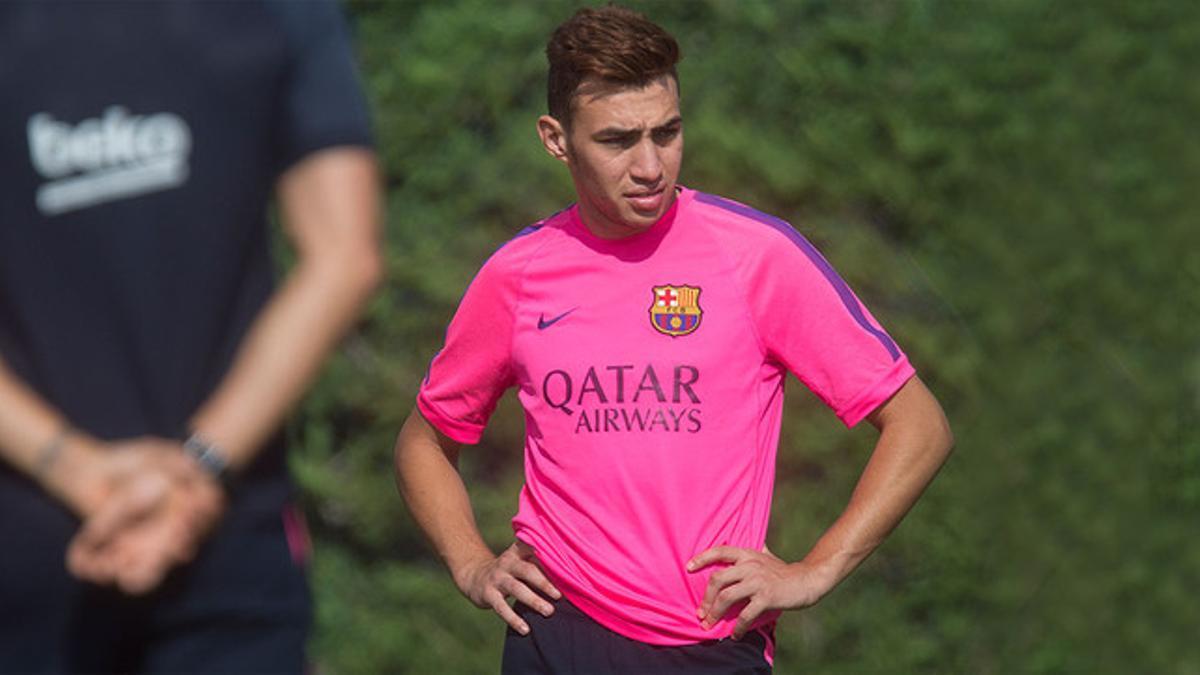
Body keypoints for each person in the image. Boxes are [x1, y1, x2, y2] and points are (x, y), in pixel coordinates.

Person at [394, 5, 953, 674]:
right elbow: (424, 440)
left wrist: (813, 570)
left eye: (668, 131)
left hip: (707, 647)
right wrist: (471, 563)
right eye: (617, 140)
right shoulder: (519, 272)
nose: (650, 164)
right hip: (554, 632)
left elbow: (918, 424)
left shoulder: (757, 255)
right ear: (556, 139)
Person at [0, 1, 381, 672]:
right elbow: (343, 255)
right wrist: (200, 467)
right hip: (220, 526)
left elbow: (345, 262)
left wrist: (77, 467)